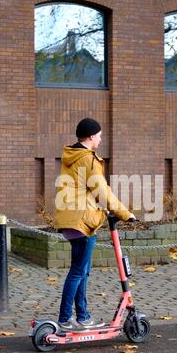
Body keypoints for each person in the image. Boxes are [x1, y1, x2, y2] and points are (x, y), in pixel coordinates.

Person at [55, 118, 135, 331]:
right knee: (78, 272)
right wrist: (125, 214)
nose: (101, 139)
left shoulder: (72, 156)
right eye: (99, 135)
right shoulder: (88, 159)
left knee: (83, 270)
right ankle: (65, 319)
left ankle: (82, 316)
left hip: (73, 221)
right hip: (82, 223)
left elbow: (85, 190)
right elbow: (102, 190)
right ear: (91, 137)